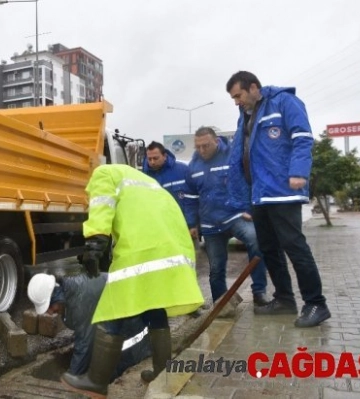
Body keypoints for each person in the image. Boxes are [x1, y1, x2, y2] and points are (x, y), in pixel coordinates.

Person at [61, 164, 204, 397]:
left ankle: (96, 381)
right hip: (170, 247)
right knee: (154, 307)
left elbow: (102, 207)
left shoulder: (102, 174)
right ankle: (162, 371)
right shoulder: (144, 182)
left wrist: (95, 244)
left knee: (115, 308)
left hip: (141, 249)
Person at [225, 71, 331, 328]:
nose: (236, 102)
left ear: (253, 87)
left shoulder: (285, 102)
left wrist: (298, 172)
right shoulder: (247, 115)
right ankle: (284, 298)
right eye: (233, 98)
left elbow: (303, 138)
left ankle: (316, 303)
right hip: (260, 193)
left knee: (294, 246)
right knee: (269, 249)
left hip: (283, 190)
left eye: (238, 95)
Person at [183, 127, 269, 306]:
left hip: (235, 216)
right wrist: (192, 224)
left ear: (216, 141)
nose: (202, 150)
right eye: (198, 147)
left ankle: (259, 292)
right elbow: (190, 198)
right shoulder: (193, 166)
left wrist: (250, 209)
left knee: (256, 240)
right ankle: (221, 304)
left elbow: (250, 182)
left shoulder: (233, 157)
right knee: (215, 268)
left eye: (206, 146)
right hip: (210, 224)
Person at [27, 272, 151, 380]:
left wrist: (71, 379)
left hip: (131, 316)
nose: (49, 312)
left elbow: (84, 344)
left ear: (56, 294)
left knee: (118, 366)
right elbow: (85, 331)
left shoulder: (79, 301)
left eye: (49, 306)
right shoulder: (69, 291)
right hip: (119, 311)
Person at [142, 141, 190, 211]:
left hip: (182, 219)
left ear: (164, 156)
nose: (152, 162)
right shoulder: (143, 177)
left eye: (155, 158)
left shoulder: (184, 171)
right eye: (149, 159)